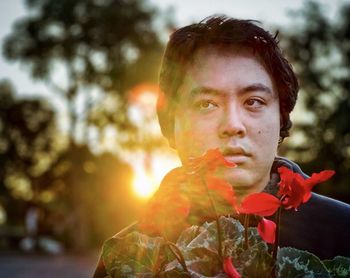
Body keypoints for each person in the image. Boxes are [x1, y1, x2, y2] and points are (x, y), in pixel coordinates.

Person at [93, 15, 350, 277]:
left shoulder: (343, 232)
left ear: (282, 116)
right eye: (206, 104)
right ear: (170, 124)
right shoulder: (127, 254)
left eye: (254, 101)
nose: (232, 125)